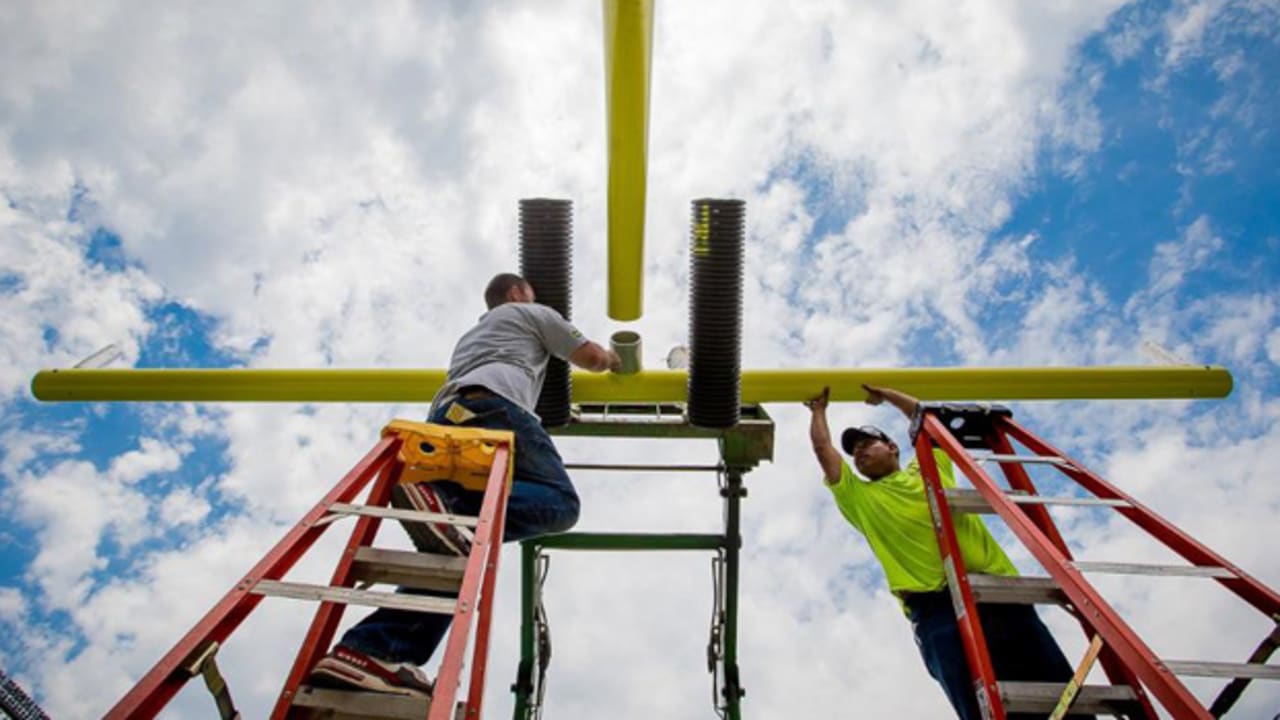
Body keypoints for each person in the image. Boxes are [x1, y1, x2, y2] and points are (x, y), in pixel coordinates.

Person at [308, 272, 621, 698]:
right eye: (529, 291)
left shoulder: (476, 333)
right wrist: (616, 360)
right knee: (561, 504)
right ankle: (449, 503)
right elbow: (589, 357)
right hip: (496, 407)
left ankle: (367, 652)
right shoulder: (531, 313)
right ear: (515, 294)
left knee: (459, 551)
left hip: (448, 415)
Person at [805, 384, 1087, 720]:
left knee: (1054, 691)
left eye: (867, 444)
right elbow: (824, 450)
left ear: (893, 447)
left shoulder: (927, 466)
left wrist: (886, 394)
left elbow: (924, 415)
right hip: (935, 610)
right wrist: (818, 410)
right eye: (855, 452)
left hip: (997, 594)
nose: (860, 453)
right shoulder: (859, 498)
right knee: (977, 703)